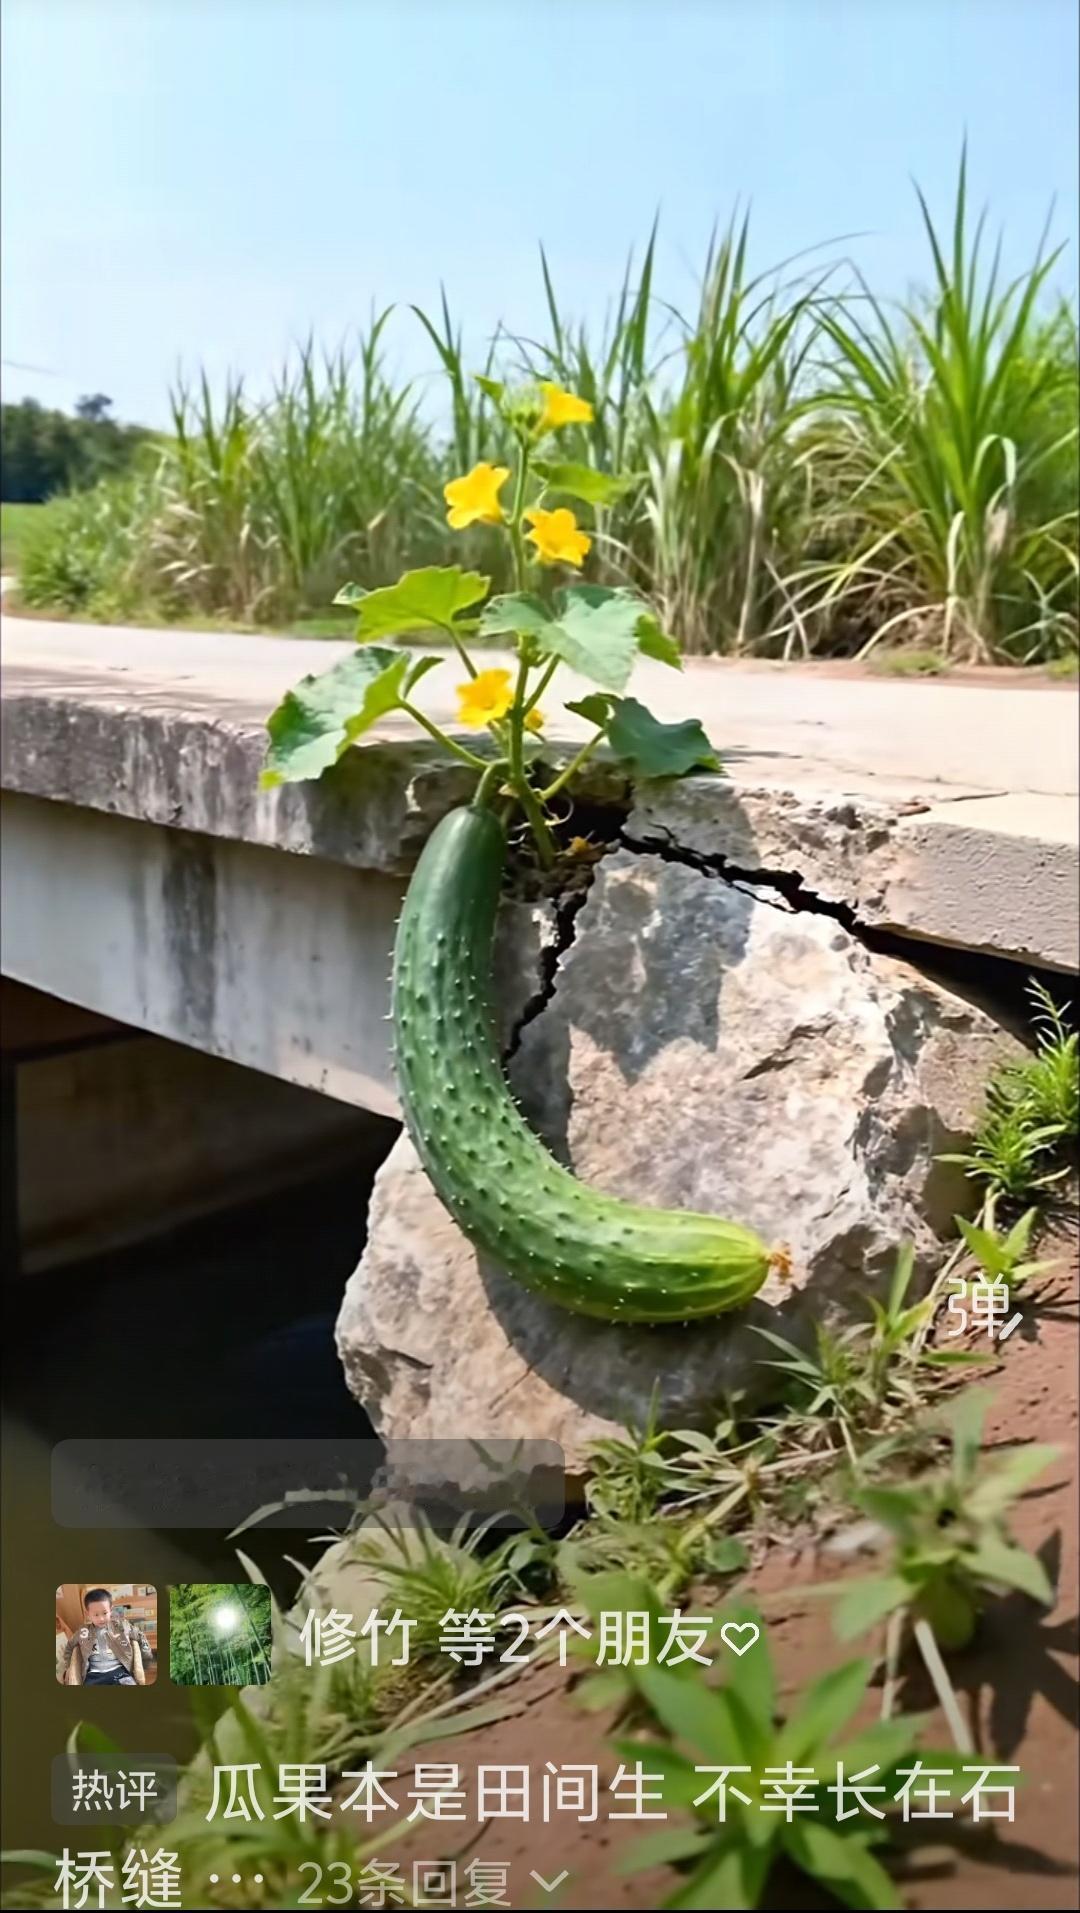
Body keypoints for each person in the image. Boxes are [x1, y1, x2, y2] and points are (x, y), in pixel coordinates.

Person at [59, 1588, 153, 1687]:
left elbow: (140, 1635)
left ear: (111, 1610)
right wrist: (69, 1667)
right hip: (93, 1675)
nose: (101, 1618)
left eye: (105, 1613)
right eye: (96, 1614)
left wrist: (146, 1657)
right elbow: (69, 1647)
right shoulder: (82, 1631)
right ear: (88, 1614)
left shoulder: (122, 1626)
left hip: (119, 1671)